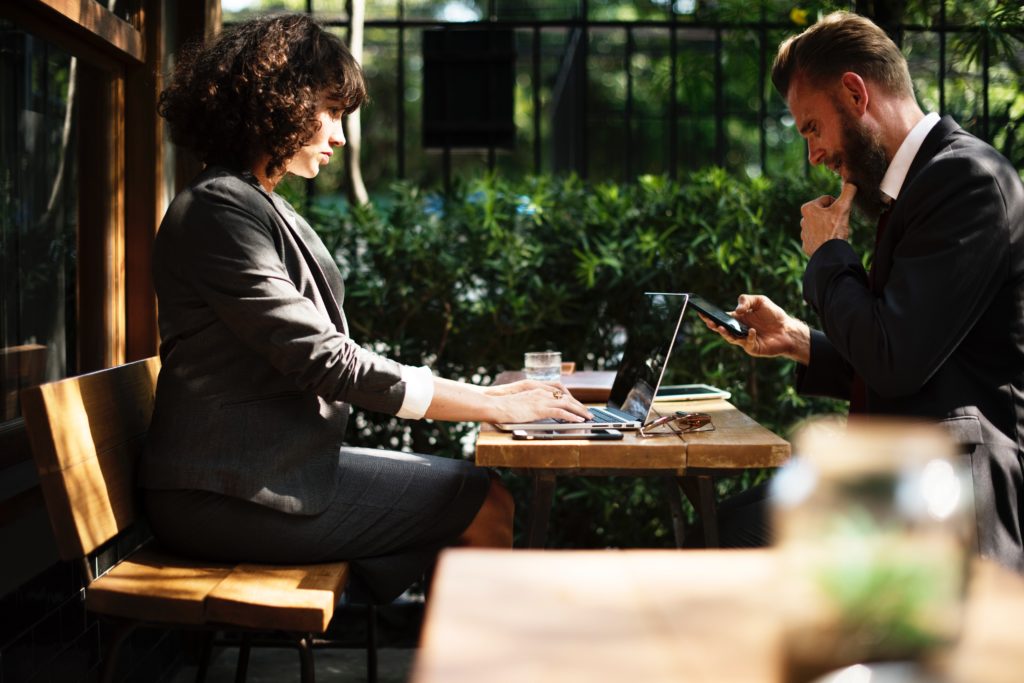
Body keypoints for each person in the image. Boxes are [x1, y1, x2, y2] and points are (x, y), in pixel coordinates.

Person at [140, 13, 592, 603]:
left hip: (261, 472)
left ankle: (419, 631)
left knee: (468, 492)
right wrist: (486, 404)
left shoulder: (251, 202)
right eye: (330, 110)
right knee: (483, 500)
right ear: (279, 100)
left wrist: (499, 399)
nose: (340, 135)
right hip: (224, 494)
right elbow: (327, 361)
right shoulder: (220, 208)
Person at [700, 11, 1024, 571]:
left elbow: (896, 362)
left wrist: (829, 255)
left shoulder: (964, 181)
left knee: (729, 535)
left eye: (811, 128)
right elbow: (907, 349)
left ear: (855, 93)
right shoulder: (920, 185)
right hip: (905, 477)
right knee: (722, 523)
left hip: (953, 495)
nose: (813, 155)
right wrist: (800, 340)